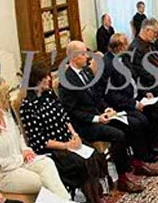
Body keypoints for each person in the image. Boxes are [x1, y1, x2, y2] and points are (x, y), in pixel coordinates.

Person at [19, 62, 114, 203]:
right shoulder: (27, 106)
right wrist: (65, 145)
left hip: (68, 139)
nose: (49, 79)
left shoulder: (49, 94)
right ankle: (90, 201)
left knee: (94, 154)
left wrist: (74, 134)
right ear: (36, 80)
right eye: (45, 77)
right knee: (80, 162)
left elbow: (64, 117)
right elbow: (39, 140)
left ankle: (97, 197)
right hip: (53, 148)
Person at [59, 41, 147, 193]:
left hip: (99, 115)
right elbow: (72, 112)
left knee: (132, 124)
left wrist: (106, 108)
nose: (87, 57)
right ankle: (122, 179)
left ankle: (137, 163)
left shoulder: (86, 72)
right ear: (73, 57)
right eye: (83, 54)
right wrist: (96, 118)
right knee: (118, 135)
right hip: (85, 125)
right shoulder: (66, 81)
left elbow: (96, 97)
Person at [0, 76, 71, 201]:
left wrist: (25, 149)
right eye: (6, 95)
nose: (9, 98)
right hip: (6, 173)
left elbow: (19, 136)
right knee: (44, 182)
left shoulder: (5, 114)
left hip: (21, 162)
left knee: (48, 164)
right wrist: (21, 157)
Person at [101, 33, 158, 160]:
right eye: (126, 44)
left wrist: (145, 92)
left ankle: (153, 145)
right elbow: (112, 95)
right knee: (141, 120)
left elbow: (135, 78)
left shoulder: (125, 58)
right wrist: (134, 104)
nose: (128, 46)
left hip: (136, 97)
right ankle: (143, 154)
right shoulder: (108, 65)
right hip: (122, 104)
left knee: (157, 108)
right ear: (120, 47)